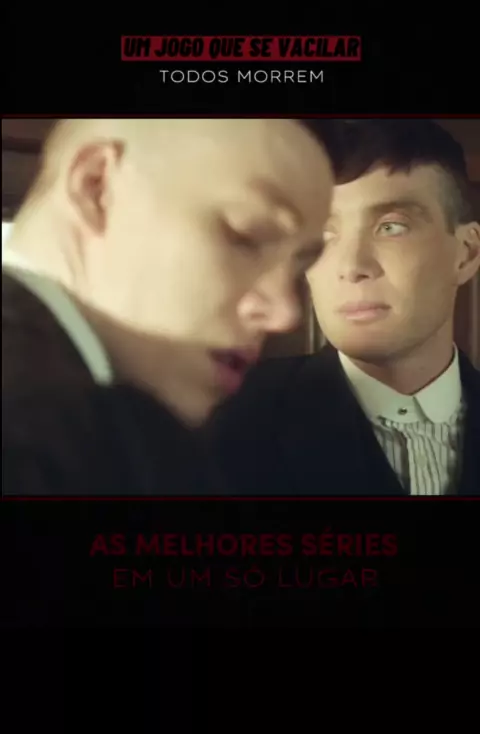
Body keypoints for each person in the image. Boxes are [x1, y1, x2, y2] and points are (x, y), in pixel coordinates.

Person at [2, 117, 335, 495]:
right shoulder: (31, 436)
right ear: (96, 187)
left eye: (300, 267)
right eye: (245, 235)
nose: (285, 314)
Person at [207, 119, 480, 495]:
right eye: (325, 234)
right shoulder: (220, 424)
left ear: (466, 253)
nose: (352, 266)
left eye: (392, 227)